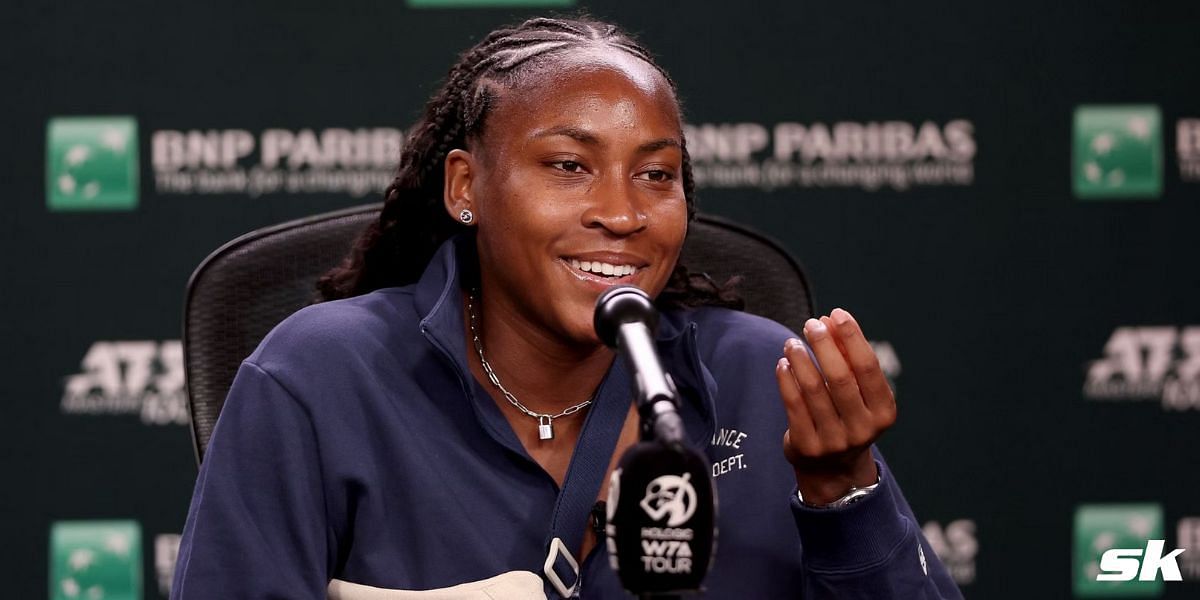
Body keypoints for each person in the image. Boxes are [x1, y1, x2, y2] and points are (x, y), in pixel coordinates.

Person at [172, 16, 963, 600]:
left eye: (657, 176)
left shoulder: (763, 375)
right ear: (464, 187)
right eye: (568, 165)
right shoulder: (318, 378)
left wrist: (842, 491)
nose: (622, 213)